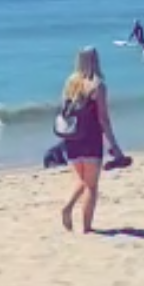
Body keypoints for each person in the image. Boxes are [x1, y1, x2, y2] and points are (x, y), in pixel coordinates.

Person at [56, 48, 123, 237]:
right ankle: (84, 225)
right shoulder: (97, 85)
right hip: (91, 138)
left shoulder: (70, 82)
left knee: (80, 180)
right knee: (91, 186)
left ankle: (68, 207)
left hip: (72, 137)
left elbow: (64, 110)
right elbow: (103, 119)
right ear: (96, 60)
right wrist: (114, 146)